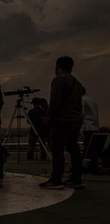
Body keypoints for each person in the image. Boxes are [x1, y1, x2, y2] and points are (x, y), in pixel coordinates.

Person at [40, 56, 86, 189]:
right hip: (75, 120)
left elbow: (55, 100)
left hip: (61, 120)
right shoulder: (76, 82)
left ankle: (56, 179)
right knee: (74, 149)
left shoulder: (59, 80)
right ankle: (76, 179)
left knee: (57, 150)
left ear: (58, 66)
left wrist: (49, 116)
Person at [81, 89, 100, 174]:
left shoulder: (82, 100)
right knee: (93, 149)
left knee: (87, 148)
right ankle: (93, 167)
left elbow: (82, 114)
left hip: (87, 127)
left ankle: (85, 167)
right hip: (94, 127)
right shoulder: (92, 100)